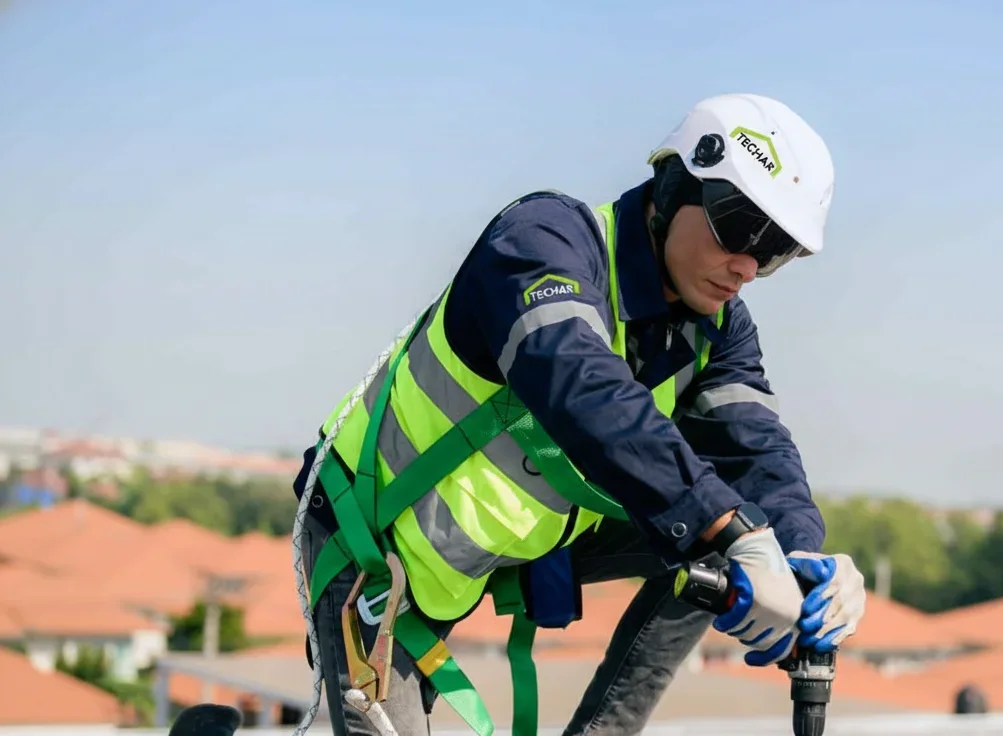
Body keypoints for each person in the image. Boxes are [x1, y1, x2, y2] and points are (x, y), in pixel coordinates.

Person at [290, 92, 868, 736]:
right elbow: (579, 384)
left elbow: (758, 453)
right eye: (740, 228)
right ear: (676, 183)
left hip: (513, 542)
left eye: (776, 250)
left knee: (733, 549)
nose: (748, 266)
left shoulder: (719, 327)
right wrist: (729, 528)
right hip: (379, 543)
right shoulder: (543, 239)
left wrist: (800, 559)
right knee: (716, 526)